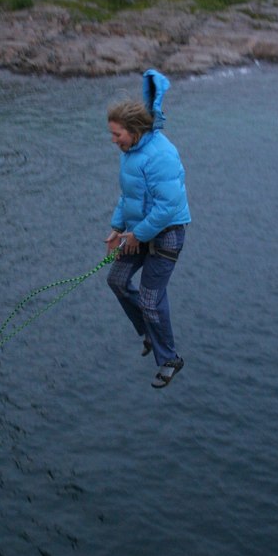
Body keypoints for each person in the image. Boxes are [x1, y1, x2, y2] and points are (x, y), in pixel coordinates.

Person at [105, 70, 191, 388]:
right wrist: (117, 228)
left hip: (166, 232)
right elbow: (129, 196)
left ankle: (170, 358)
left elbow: (168, 206)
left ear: (134, 130)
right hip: (138, 230)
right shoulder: (130, 153)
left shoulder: (160, 155)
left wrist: (137, 235)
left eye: (117, 134)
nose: (113, 140)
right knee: (116, 280)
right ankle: (149, 332)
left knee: (151, 300)